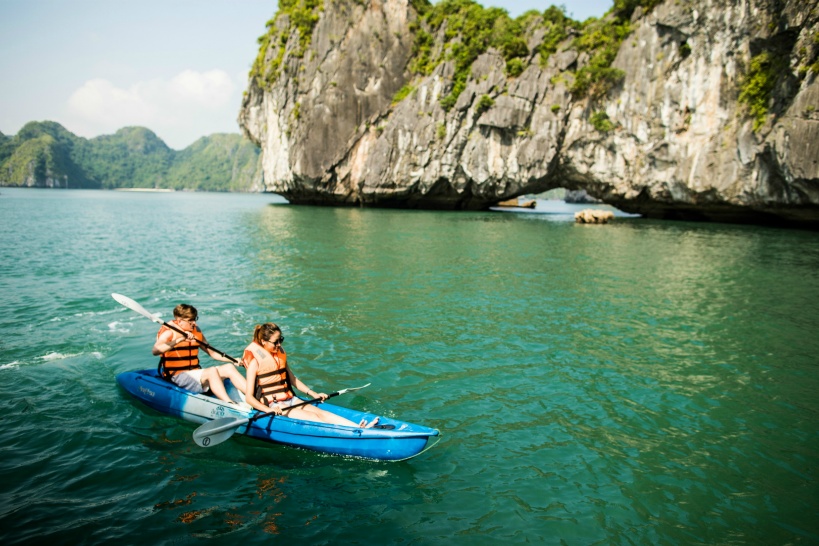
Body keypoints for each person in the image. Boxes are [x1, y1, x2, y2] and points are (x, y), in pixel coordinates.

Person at [241, 322, 378, 428]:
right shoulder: (255, 361)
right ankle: (354, 433)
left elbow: (293, 379)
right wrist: (267, 410)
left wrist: (314, 394)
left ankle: (358, 428)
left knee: (321, 413)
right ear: (264, 342)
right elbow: (249, 398)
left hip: (289, 399)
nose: (278, 344)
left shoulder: (279, 355)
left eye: (280, 340)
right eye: (275, 342)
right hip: (274, 405)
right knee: (314, 418)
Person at [152, 303, 248, 404]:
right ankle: (229, 404)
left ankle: (254, 397)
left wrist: (233, 360)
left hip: (194, 374)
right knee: (211, 371)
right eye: (190, 320)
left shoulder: (196, 332)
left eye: (195, 319)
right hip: (177, 376)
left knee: (229, 367)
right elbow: (155, 350)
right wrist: (180, 339)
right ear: (180, 321)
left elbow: (213, 353)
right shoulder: (169, 332)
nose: (193, 323)